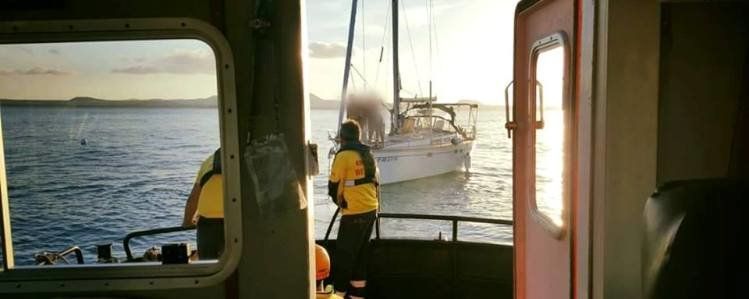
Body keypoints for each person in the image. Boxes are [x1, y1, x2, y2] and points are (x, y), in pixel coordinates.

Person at [328, 120, 379, 299]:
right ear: (357, 136)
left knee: (344, 257)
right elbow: (375, 182)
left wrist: (341, 203)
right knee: (360, 255)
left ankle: (338, 295)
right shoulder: (368, 154)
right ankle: (357, 296)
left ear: (342, 137)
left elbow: (333, 187)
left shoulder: (343, 156)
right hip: (371, 210)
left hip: (354, 213)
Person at [182, 148, 224, 260]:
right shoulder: (246, 162)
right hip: (239, 223)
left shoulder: (208, 163)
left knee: (209, 266)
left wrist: (187, 222)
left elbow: (193, 198)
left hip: (207, 226)